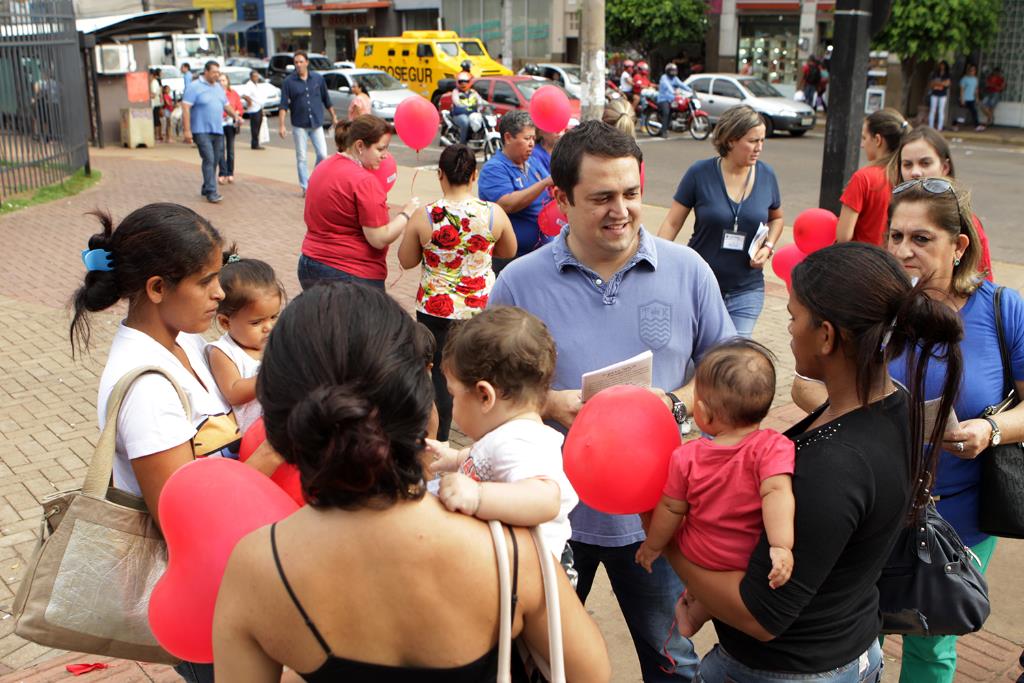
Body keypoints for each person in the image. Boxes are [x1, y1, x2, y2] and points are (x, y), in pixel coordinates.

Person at [212, 283, 612, 682]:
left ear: (281, 417)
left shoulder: (256, 566)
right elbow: (589, 675)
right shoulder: (510, 550)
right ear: (419, 399)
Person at [490, 120, 736, 681]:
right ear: (560, 199)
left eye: (630, 193)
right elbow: (485, 392)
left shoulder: (687, 270)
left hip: (661, 515)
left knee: (673, 658)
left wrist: (671, 405)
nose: (621, 210)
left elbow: (725, 370)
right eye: (601, 197)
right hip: (552, 518)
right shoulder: (518, 284)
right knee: (541, 659)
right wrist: (550, 403)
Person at [660, 241, 963, 682]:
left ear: (826, 335)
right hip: (851, 646)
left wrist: (663, 537)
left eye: (794, 316)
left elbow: (760, 616)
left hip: (790, 669)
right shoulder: (894, 403)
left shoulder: (834, 465)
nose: (787, 328)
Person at [70, 203, 282, 683]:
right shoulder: (146, 389)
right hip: (203, 601)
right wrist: (276, 451)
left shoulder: (183, 340)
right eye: (206, 281)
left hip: (229, 578)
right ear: (158, 288)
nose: (220, 293)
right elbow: (187, 523)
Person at [884, 177, 1022, 683]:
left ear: (958, 245)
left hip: (960, 513)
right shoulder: (878, 304)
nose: (903, 250)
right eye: (895, 236)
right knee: (858, 631)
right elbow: (808, 386)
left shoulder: (1003, 308)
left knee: (931, 640)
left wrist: (990, 429)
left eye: (921, 239)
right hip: (877, 500)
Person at [635, 338, 796, 638]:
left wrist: (653, 546)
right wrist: (780, 545)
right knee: (722, 585)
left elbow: (670, 508)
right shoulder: (773, 447)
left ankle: (691, 613)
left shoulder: (686, 457)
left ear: (705, 414)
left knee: (689, 539)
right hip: (744, 558)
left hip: (699, 553)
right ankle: (696, 614)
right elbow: (777, 493)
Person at [424, 306, 580, 582]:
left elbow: (545, 499)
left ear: (485, 396)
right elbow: (486, 458)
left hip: (538, 576)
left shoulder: (520, 441)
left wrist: (477, 496)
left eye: (453, 395)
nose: (452, 405)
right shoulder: (508, 434)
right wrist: (455, 458)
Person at [398, 144, 516, 442]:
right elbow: (509, 250)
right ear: (473, 175)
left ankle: (439, 440)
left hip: (435, 309)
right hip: (479, 308)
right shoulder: (493, 214)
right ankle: (487, 437)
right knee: (482, 372)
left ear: (440, 174)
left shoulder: (426, 215)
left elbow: (406, 260)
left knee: (438, 374)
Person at [657, 104, 783, 338]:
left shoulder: (767, 175)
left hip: (746, 289)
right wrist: (657, 261)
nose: (759, 148)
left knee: (732, 358)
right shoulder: (699, 173)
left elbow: (777, 218)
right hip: (699, 286)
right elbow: (672, 223)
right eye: (753, 141)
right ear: (731, 140)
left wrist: (768, 246)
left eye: (762, 141)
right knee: (699, 358)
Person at [298, 115, 419, 290]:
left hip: (310, 262)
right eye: (380, 149)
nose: (385, 156)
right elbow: (379, 238)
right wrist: (406, 213)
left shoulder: (324, 166)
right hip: (351, 272)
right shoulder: (364, 181)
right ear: (360, 146)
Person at [888, 125, 994, 280]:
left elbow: (983, 281)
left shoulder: (963, 219)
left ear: (945, 167)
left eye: (925, 163)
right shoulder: (896, 211)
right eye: (907, 164)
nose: (915, 172)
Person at [206, 254, 284, 435]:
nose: (268, 327)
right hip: (254, 435)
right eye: (256, 322)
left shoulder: (276, 341)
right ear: (226, 322)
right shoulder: (223, 352)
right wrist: (273, 376)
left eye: (274, 317)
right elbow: (233, 393)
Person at [478, 111, 551, 274]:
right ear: (508, 137)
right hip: (510, 259)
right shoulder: (494, 168)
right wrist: (544, 184)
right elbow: (507, 204)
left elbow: (551, 188)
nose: (532, 143)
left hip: (539, 252)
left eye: (533, 138)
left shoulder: (532, 162)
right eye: (526, 139)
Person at [835, 108, 908, 245]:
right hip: (894, 260)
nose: (862, 145)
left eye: (864, 138)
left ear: (878, 140)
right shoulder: (907, 176)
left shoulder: (863, 178)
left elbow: (844, 236)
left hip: (863, 260)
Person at [182, 61, 242, 204]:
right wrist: (187, 130)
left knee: (215, 159)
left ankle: (205, 186)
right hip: (200, 130)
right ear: (206, 72)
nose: (216, 75)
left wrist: (236, 116)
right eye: (214, 72)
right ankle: (211, 192)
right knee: (208, 158)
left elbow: (226, 106)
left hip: (217, 129)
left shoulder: (218, 88)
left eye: (218, 72)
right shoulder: (194, 87)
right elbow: (185, 108)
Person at [278, 51, 337, 196]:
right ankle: (305, 187)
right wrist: (282, 125)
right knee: (302, 157)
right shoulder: (288, 82)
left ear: (307, 62)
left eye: (300, 61)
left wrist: (334, 116)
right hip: (299, 125)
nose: (298, 65)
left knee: (323, 155)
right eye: (296, 62)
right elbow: (283, 105)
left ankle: (312, 180)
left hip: (317, 123)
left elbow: (326, 99)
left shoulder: (317, 79)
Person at [218, 73, 244, 185]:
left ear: (227, 81)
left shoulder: (233, 94)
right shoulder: (215, 93)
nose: (222, 82)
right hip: (218, 124)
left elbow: (239, 108)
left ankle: (230, 172)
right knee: (220, 149)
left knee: (230, 150)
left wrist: (236, 114)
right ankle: (222, 172)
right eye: (220, 80)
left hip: (230, 124)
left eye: (224, 80)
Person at [655, 63, 691, 139]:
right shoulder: (664, 77)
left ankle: (667, 128)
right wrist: (674, 92)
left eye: (674, 71)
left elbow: (682, 85)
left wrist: (691, 90)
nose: (673, 72)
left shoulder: (675, 78)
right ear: (668, 71)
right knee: (666, 113)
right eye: (672, 71)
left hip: (671, 99)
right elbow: (668, 86)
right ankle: (663, 132)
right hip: (663, 99)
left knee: (673, 113)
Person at [237, 70, 266, 150]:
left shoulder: (256, 85)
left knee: (259, 126)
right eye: (254, 76)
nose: (256, 78)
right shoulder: (249, 85)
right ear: (251, 77)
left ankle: (256, 142)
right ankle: (254, 144)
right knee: (255, 127)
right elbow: (244, 95)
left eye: (257, 76)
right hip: (254, 109)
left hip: (259, 107)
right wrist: (249, 102)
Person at [450, 71, 481, 144]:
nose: (463, 83)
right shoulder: (456, 92)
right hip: (458, 114)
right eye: (461, 81)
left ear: (469, 82)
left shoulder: (473, 92)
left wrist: (489, 105)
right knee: (465, 122)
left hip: (471, 113)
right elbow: (457, 103)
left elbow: (480, 100)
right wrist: (468, 108)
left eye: (466, 81)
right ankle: (462, 144)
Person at [957, 64, 982, 131]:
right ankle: (955, 125)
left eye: (973, 70)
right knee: (961, 114)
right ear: (968, 71)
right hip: (964, 98)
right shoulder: (964, 79)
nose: (972, 72)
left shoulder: (975, 79)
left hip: (971, 99)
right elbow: (962, 90)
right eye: (971, 70)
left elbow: (976, 89)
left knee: (974, 112)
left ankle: (977, 126)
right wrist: (962, 99)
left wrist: (977, 98)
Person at [928, 61, 952, 131]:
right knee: (932, 110)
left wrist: (938, 83)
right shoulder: (935, 74)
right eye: (941, 65)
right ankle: (931, 127)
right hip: (934, 94)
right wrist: (941, 83)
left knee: (941, 111)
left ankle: (939, 127)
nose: (942, 67)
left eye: (943, 65)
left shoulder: (947, 74)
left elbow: (947, 84)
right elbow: (932, 83)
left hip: (942, 94)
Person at [150, 68, 164, 142]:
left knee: (156, 120)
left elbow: (154, 94)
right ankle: (158, 135)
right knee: (156, 119)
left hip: (155, 103)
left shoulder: (154, 82)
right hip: (156, 103)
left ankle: (157, 136)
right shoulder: (155, 81)